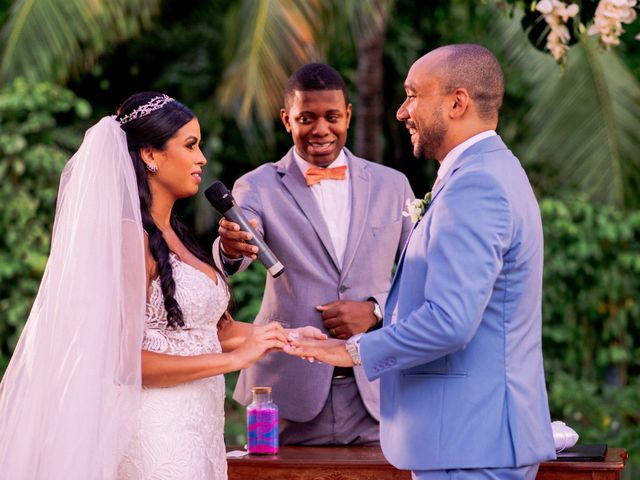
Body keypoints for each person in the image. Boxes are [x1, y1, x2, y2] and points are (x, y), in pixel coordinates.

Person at [0, 92, 321, 479]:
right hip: (155, 432)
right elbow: (123, 360)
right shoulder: (128, 238)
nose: (201, 158)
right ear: (150, 155)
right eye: (190, 145)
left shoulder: (176, 234)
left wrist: (283, 337)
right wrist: (235, 361)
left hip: (198, 428)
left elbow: (204, 334)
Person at [286, 44, 557, 479]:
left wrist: (351, 351)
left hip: (469, 446)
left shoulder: (477, 185)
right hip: (466, 442)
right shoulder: (485, 173)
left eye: (413, 95)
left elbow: (450, 321)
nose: (401, 111)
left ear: (457, 102)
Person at [214, 63, 414, 445]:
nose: (321, 129)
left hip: (376, 387)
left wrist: (375, 310)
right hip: (285, 391)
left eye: (332, 117)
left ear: (348, 115)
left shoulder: (393, 184)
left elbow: (420, 276)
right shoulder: (256, 185)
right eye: (306, 118)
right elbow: (238, 243)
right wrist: (231, 244)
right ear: (286, 119)